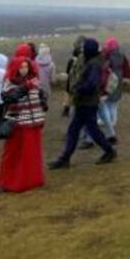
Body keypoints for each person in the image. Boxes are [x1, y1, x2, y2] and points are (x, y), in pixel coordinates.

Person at [50, 38, 115, 168]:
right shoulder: (93, 61)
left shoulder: (94, 64)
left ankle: (108, 151)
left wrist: (78, 88)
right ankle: (66, 158)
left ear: (89, 49)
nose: (83, 50)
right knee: (81, 129)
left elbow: (92, 83)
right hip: (85, 102)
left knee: (85, 130)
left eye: (84, 48)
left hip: (87, 102)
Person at [0, 47, 47, 192]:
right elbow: (9, 98)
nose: (24, 70)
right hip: (18, 124)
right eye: (21, 67)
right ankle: (11, 180)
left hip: (34, 123)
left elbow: (40, 96)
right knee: (14, 153)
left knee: (32, 154)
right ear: (15, 68)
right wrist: (26, 87)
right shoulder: (10, 82)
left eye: (26, 67)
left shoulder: (34, 81)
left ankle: (32, 179)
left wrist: (42, 100)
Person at [97, 37, 130, 145]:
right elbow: (126, 67)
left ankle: (107, 121)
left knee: (106, 101)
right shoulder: (121, 55)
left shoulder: (106, 54)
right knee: (114, 102)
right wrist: (127, 75)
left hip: (108, 77)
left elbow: (101, 66)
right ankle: (113, 120)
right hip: (118, 77)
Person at [62, 36, 85, 117]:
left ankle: (66, 110)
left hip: (70, 82)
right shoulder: (83, 61)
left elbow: (67, 72)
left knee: (68, 96)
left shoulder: (71, 61)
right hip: (78, 82)